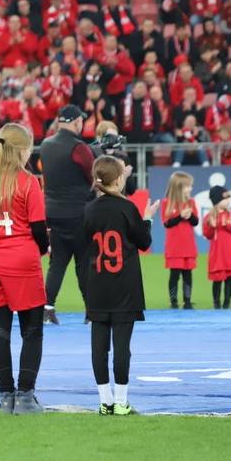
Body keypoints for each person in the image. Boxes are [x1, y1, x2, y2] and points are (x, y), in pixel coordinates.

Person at [0, 123, 50, 415]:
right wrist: (41, 250)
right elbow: (38, 229)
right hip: (21, 261)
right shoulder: (27, 181)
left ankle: (6, 397)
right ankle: (26, 396)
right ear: (22, 149)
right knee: (32, 332)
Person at [84, 156, 159, 416]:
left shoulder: (89, 209)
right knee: (122, 346)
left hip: (97, 285)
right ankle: (121, 402)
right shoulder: (127, 207)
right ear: (118, 179)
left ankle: (104, 401)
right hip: (124, 287)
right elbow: (144, 241)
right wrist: (148, 219)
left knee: (99, 345)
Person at [38, 104, 96, 324]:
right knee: (84, 262)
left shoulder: (45, 144)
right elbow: (93, 177)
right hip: (79, 213)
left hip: (53, 212)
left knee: (57, 262)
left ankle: (47, 307)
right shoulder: (79, 147)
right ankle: (91, 311)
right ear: (75, 121)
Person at [162, 171, 198, 310]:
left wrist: (189, 216)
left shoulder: (191, 202)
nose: (191, 189)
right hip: (174, 246)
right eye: (188, 186)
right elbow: (167, 223)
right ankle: (174, 302)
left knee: (188, 273)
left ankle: (187, 301)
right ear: (178, 187)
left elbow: (195, 222)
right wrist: (181, 216)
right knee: (175, 274)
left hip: (188, 245)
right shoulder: (167, 203)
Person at [203, 185, 231, 310]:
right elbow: (207, 235)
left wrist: (228, 226)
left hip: (230, 253)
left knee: (229, 279)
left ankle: (227, 304)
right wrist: (212, 226)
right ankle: (216, 304)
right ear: (217, 201)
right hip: (217, 254)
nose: (227, 202)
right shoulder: (209, 217)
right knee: (217, 279)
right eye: (225, 199)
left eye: (228, 199)